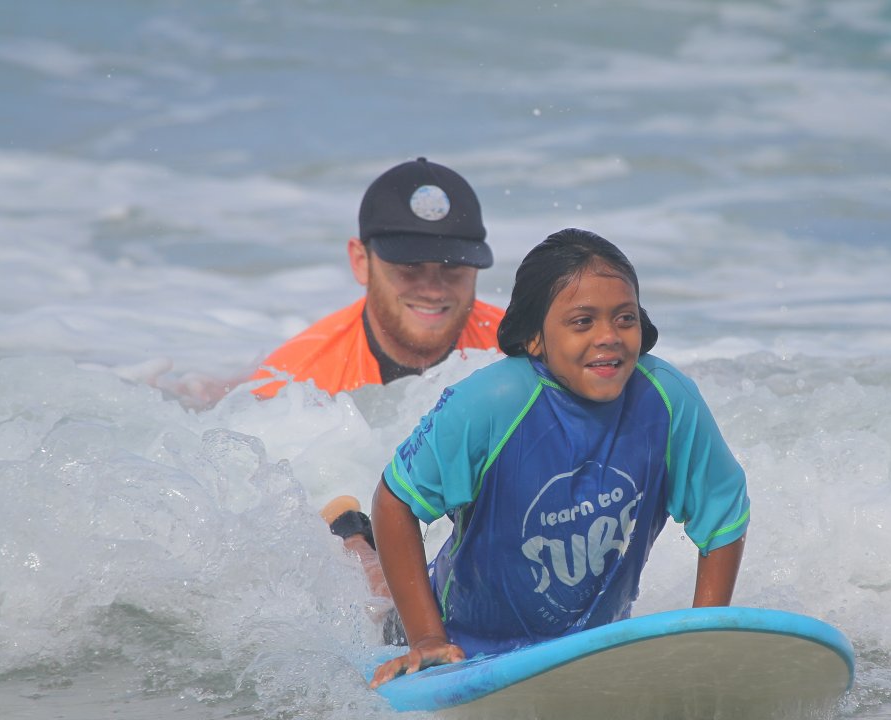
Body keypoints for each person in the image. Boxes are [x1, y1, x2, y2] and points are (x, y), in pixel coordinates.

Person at [344, 228, 750, 688]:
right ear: (535, 338)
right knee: (378, 597)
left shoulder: (667, 400)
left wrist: (703, 643)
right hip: (457, 640)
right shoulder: (492, 401)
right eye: (582, 322)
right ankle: (350, 534)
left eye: (625, 319)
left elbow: (723, 516)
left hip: (581, 653)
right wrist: (425, 638)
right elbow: (395, 501)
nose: (609, 337)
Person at [250, 157, 505, 398]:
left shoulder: (524, 351)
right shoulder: (292, 387)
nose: (434, 291)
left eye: (453, 267)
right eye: (410, 266)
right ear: (361, 262)